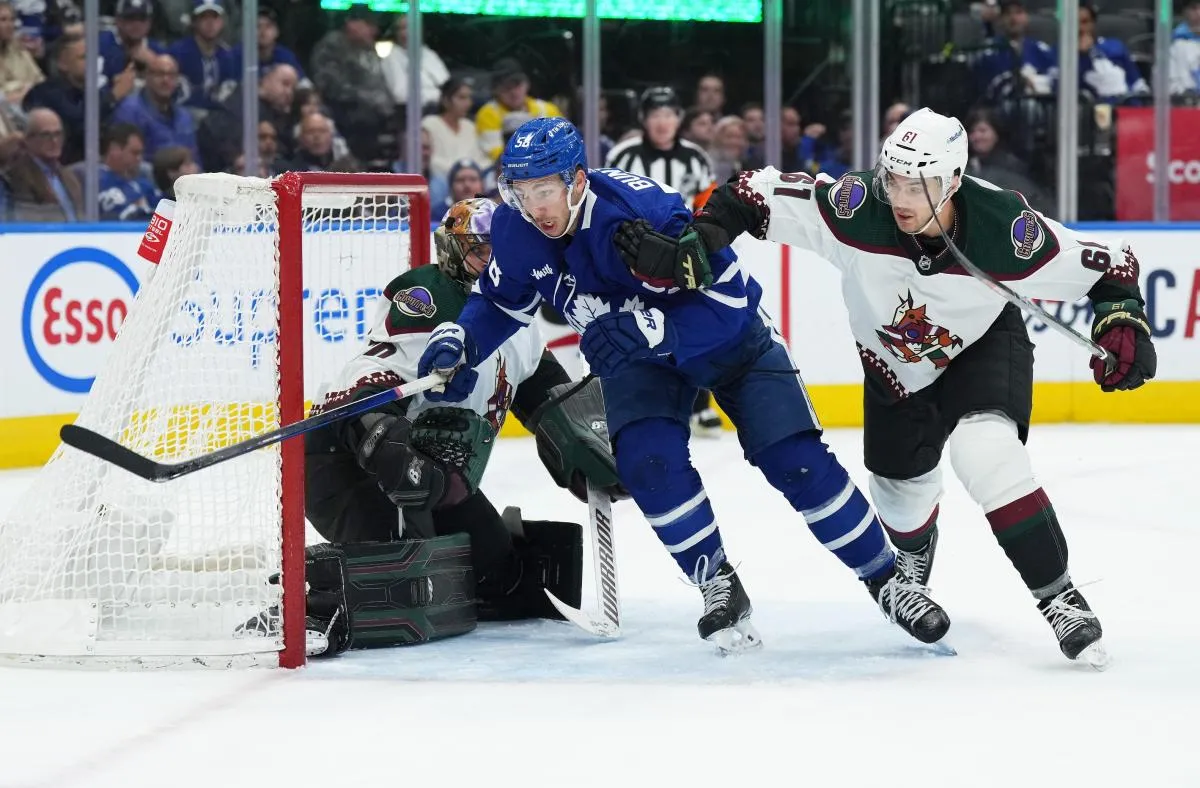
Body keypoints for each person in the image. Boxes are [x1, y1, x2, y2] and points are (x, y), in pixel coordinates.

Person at [614, 107, 1157, 667]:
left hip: (983, 348)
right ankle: (915, 555)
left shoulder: (1007, 230)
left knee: (986, 454)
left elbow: (1111, 266)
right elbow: (753, 193)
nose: (898, 195)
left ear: (951, 181)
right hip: (893, 367)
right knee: (899, 495)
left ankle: (1059, 596)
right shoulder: (856, 208)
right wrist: (700, 242)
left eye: (916, 184)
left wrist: (1122, 319)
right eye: (892, 177)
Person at [415, 116, 951, 654]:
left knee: (796, 460)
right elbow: (502, 302)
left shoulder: (645, 210)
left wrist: (657, 325)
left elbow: (732, 300)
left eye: (546, 190)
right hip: (640, 363)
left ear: (577, 180)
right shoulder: (515, 229)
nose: (536, 207)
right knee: (648, 467)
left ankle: (889, 579)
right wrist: (462, 338)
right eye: (522, 191)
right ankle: (717, 583)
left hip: (730, 345)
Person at [296, 198, 627, 655]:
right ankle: (307, 600)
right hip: (345, 463)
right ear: (452, 251)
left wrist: (589, 444)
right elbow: (364, 377)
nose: (495, 261)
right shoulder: (429, 298)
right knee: (402, 588)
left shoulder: (519, 317)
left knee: (499, 576)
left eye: (504, 250)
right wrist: (382, 437)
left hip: (435, 476)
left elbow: (549, 397)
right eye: (481, 250)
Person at [604, 87, 720, 436]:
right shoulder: (624, 155)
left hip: (681, 255)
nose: (663, 122)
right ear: (643, 118)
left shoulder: (695, 157)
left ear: (679, 119)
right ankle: (634, 401)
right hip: (632, 254)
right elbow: (606, 199)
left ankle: (698, 406)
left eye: (669, 114)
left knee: (690, 325)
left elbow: (709, 204)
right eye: (656, 114)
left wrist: (703, 243)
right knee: (633, 323)